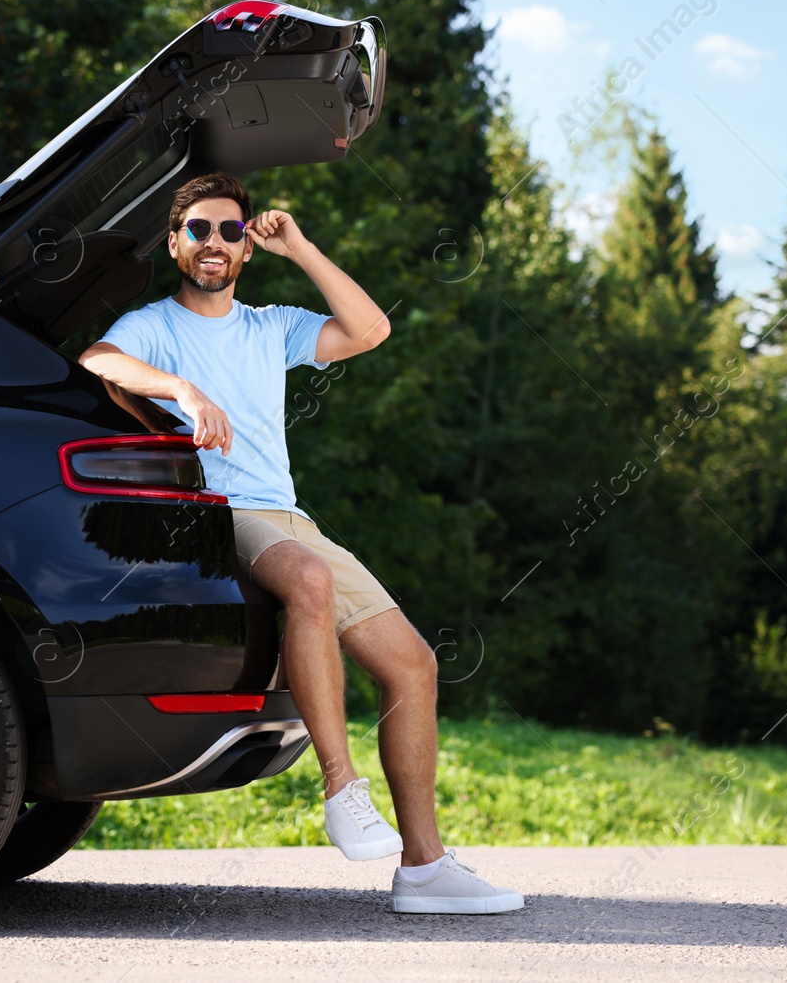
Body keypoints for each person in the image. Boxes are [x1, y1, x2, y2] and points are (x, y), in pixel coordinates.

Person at [79, 171, 524, 914]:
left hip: (289, 515)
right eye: (198, 230)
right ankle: (340, 789)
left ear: (245, 248)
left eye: (229, 231)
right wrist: (184, 391)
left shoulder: (268, 326)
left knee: (413, 664)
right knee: (309, 581)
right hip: (222, 511)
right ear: (175, 242)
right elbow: (98, 362)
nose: (213, 243)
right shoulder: (154, 325)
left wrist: (304, 248)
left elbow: (370, 329)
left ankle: (424, 868)